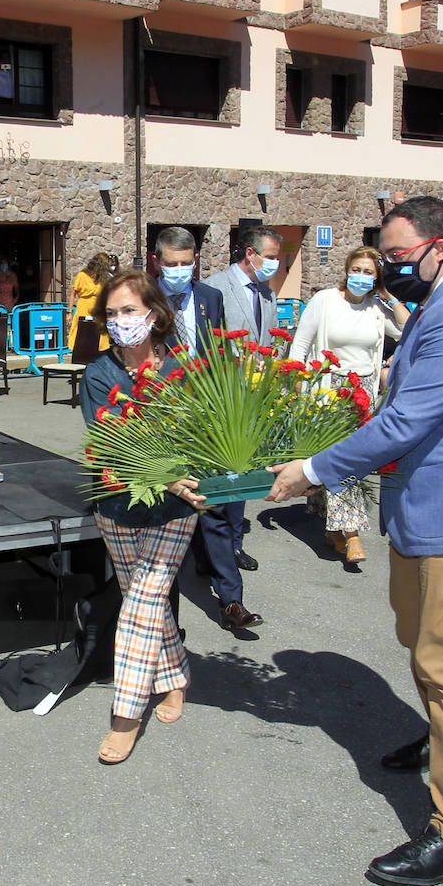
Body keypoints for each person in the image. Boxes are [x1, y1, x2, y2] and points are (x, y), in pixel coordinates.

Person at [266, 196, 443, 886]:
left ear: (438, 247)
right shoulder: (439, 303)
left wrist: (313, 472)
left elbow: (408, 420)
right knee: (417, 638)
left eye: (397, 257)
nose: (388, 270)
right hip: (428, 510)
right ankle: (440, 737)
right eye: (383, 259)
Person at [81, 268, 208, 764]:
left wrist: (188, 479)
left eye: (128, 310)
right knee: (143, 599)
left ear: (154, 315)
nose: (118, 321)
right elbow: (109, 443)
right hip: (115, 506)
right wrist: (164, 470)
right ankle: (176, 675)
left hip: (176, 509)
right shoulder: (98, 374)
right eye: (111, 314)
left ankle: (126, 716)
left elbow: (202, 435)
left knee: (142, 603)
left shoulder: (184, 366)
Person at [154, 227, 260, 631]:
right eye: (172, 264)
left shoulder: (210, 298)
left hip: (206, 414)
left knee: (214, 504)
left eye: (187, 263)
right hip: (161, 414)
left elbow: (218, 353)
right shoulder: (143, 298)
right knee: (169, 507)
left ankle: (232, 600)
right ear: (157, 261)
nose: (181, 270)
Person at [288, 246, 408, 563]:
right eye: (357, 269)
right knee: (343, 462)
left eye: (369, 272)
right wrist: (295, 383)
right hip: (327, 390)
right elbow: (299, 345)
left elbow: (410, 331)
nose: (361, 277)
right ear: (346, 269)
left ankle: (335, 528)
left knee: (351, 462)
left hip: (362, 392)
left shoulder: (376, 309)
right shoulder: (325, 301)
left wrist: (389, 296)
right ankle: (351, 534)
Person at [200, 225, 283, 574]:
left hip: (254, 399)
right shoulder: (215, 287)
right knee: (214, 474)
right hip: (221, 396)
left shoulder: (267, 293)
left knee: (242, 474)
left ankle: (233, 544)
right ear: (251, 253)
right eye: (273, 256)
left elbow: (272, 341)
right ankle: (207, 548)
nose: (276, 264)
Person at [68, 252, 115, 352]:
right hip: (84, 308)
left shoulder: (103, 278)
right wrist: (69, 312)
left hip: (98, 309)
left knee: (100, 337)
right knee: (83, 335)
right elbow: (73, 294)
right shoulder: (82, 275)